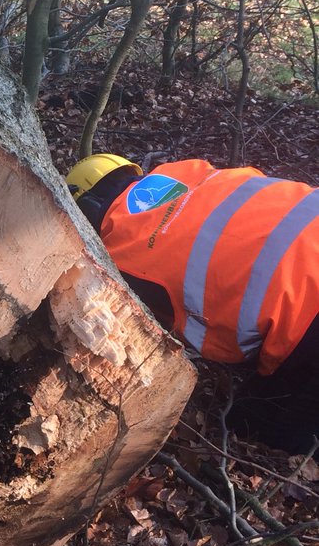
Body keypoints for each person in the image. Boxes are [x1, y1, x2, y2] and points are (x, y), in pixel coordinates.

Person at [66, 154, 319, 453]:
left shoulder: (118, 254)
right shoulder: (186, 171)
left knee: (259, 426)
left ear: (83, 210)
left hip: (307, 313)